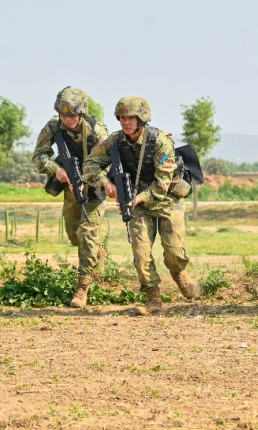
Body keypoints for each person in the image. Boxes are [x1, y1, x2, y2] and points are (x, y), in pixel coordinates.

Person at [83, 96, 196, 316]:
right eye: (122, 118)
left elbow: (163, 183)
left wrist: (138, 198)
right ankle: (153, 298)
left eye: (131, 118)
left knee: (174, 252)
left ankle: (178, 272)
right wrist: (105, 183)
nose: (126, 122)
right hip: (136, 204)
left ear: (142, 119)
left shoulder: (160, 141)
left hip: (166, 200)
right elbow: (90, 164)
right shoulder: (114, 142)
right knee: (141, 252)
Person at [31, 86, 109, 308]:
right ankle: (97, 252)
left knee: (87, 232)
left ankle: (82, 287)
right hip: (69, 185)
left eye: (72, 115)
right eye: (64, 114)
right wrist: (57, 170)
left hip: (95, 185)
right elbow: (38, 156)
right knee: (74, 235)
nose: (68, 119)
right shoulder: (53, 127)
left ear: (82, 112)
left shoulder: (97, 131)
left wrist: (87, 180)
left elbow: (109, 162)